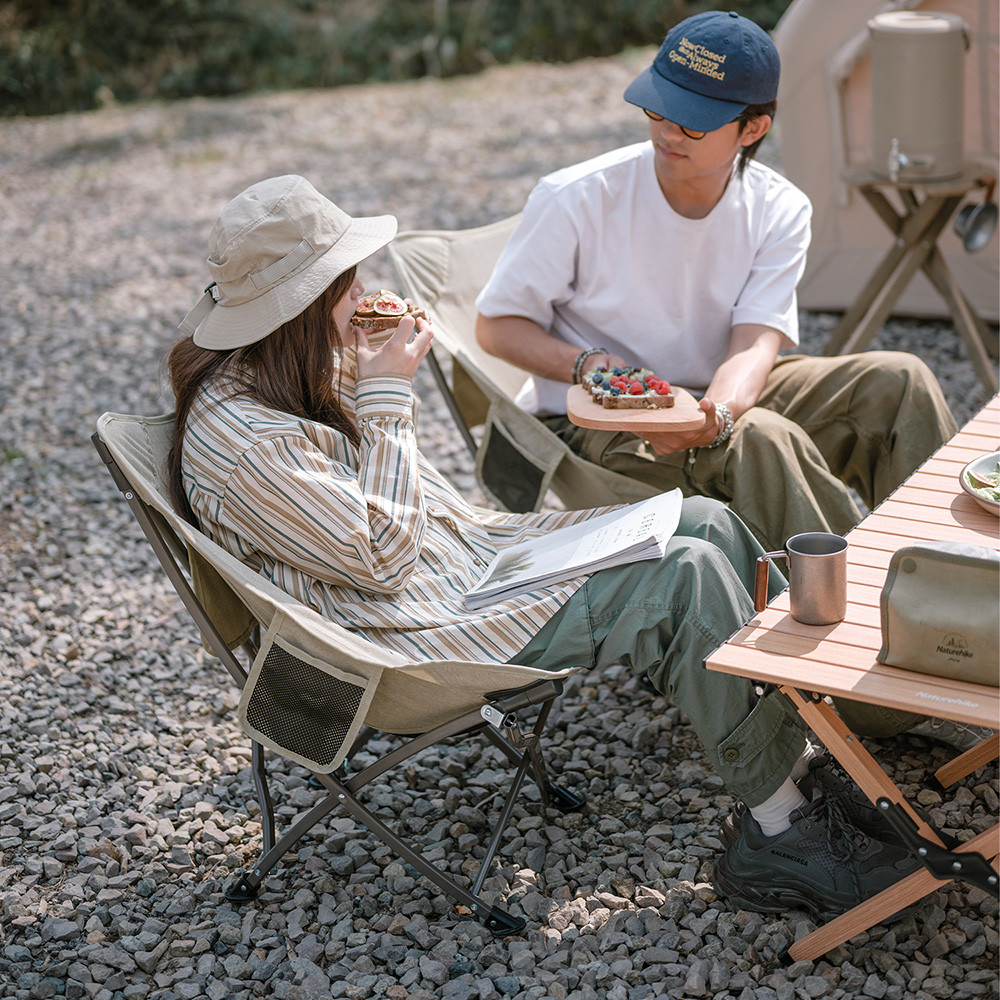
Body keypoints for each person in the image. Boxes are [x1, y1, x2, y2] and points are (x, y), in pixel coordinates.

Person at [166, 173, 921, 921]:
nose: (364, 290)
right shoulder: (247, 444)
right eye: (346, 281)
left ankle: (802, 759)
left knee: (707, 522)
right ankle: (780, 829)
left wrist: (371, 365)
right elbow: (383, 558)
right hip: (415, 629)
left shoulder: (282, 368)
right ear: (300, 309)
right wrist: (390, 394)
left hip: (465, 565)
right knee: (684, 578)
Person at [474, 10, 958, 560]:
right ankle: (860, 595)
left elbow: (755, 342)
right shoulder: (578, 197)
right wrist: (589, 365)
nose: (666, 132)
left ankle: (946, 567)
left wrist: (716, 415)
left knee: (900, 381)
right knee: (763, 437)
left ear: (753, 129)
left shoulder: (779, 208)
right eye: (658, 108)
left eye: (693, 123)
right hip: (599, 419)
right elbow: (495, 328)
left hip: (712, 392)